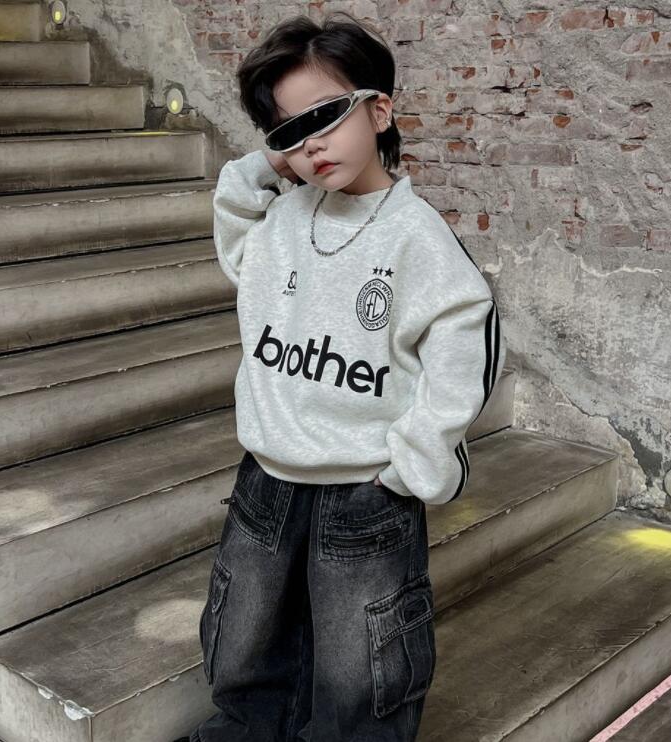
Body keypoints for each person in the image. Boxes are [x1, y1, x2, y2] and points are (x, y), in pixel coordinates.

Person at [175, 10, 506, 742]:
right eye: (288, 132)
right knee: (242, 638)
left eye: (325, 115)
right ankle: (246, 731)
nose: (310, 143)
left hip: (364, 488)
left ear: (379, 110)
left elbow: (465, 346)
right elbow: (236, 226)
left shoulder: (417, 238)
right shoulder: (284, 221)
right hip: (266, 476)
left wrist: (413, 465)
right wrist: (268, 164)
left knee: (363, 664)